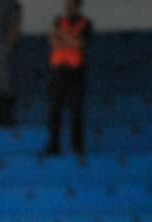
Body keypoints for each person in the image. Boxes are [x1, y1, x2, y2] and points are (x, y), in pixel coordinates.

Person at [45, 0, 91, 156]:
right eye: (67, 4)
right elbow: (53, 42)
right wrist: (70, 39)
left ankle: (77, 146)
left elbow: (80, 44)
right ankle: (53, 145)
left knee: (76, 109)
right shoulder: (58, 20)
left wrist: (63, 36)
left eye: (71, 4)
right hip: (58, 70)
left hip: (75, 71)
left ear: (78, 5)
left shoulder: (86, 23)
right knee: (54, 110)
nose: (68, 7)